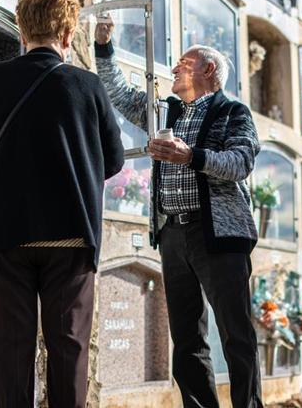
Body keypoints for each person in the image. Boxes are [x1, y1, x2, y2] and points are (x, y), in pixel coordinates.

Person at [0, 0, 124, 408]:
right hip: (70, 236)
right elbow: (115, 159)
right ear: (68, 35)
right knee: (69, 349)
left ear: (20, 29)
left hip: (5, 235)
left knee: (12, 353)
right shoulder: (87, 85)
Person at [94, 20, 263, 408]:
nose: (172, 69)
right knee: (186, 337)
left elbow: (240, 162)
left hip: (218, 235)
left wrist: (192, 156)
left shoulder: (232, 112)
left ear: (208, 70)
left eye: (183, 63)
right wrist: (105, 48)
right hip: (173, 234)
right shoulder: (166, 111)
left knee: (235, 332)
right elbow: (119, 94)